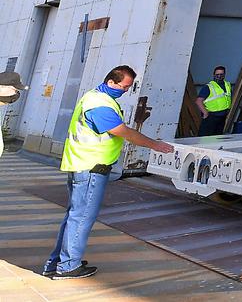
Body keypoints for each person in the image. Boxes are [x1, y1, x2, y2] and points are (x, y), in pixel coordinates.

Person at [43, 65, 174, 280]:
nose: (125, 91)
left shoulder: (94, 96)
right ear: (111, 82)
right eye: (124, 87)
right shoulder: (99, 105)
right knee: (82, 217)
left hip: (83, 165)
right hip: (91, 169)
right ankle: (67, 266)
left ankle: (58, 262)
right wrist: (155, 145)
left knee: (74, 217)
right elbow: (123, 132)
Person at [196, 65, 232, 136]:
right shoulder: (208, 87)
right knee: (206, 138)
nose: (219, 76)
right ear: (214, 75)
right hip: (211, 117)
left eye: (221, 74)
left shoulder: (227, 85)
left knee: (217, 137)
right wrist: (205, 113)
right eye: (217, 74)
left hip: (222, 116)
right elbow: (198, 101)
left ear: (224, 75)